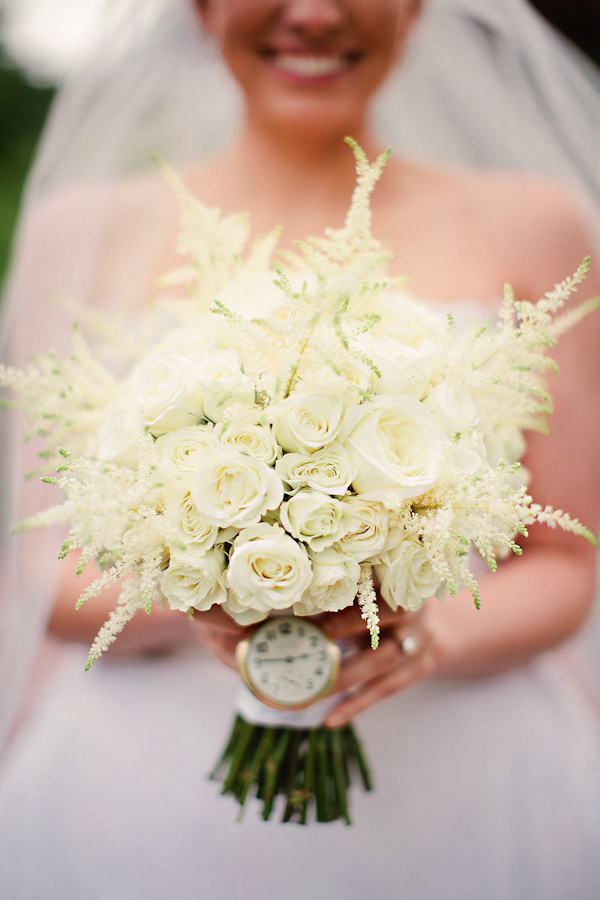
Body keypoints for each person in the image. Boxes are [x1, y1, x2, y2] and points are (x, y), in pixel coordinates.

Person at [1, 1, 599, 898]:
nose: (314, 13)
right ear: (200, 10)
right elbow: (43, 569)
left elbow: (567, 556)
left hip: (458, 789)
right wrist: (213, 592)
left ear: (415, 8)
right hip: (137, 803)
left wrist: (421, 631)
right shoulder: (80, 226)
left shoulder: (536, 223)